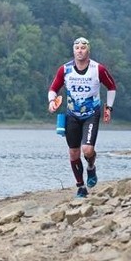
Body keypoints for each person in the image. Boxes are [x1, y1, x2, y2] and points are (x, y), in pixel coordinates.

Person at [47, 37, 116, 198]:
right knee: (73, 152)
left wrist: (109, 107)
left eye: (83, 48)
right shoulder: (65, 69)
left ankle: (91, 167)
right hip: (72, 115)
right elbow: (53, 88)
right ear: (73, 51)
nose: (79, 50)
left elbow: (111, 86)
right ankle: (80, 186)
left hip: (92, 114)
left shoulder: (97, 68)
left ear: (88, 50)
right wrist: (52, 101)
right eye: (77, 48)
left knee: (88, 149)